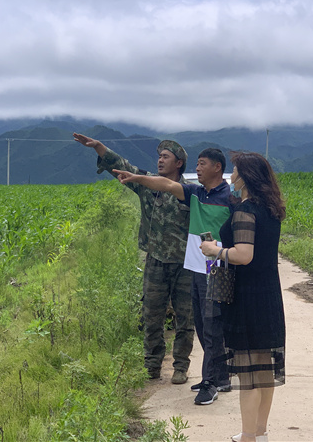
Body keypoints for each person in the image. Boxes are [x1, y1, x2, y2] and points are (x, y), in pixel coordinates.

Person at [114, 148, 232, 406]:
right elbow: (166, 184)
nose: (197, 168)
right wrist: (136, 178)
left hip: (218, 270)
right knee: (202, 324)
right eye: (197, 164)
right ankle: (220, 377)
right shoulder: (196, 193)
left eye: (202, 164)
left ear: (217, 168)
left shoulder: (230, 198)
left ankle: (211, 383)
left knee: (212, 327)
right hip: (196, 268)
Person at [73, 133, 194, 385]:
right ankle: (151, 365)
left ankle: (181, 366)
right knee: (151, 314)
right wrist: (100, 148)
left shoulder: (190, 191)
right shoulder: (146, 184)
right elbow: (123, 167)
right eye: (159, 156)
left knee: (186, 317)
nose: (160, 160)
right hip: (155, 261)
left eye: (166, 157)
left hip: (185, 264)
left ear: (179, 163)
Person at [200, 152, 286, 442]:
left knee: (249, 375)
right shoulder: (271, 209)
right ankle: (260, 432)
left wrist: (216, 251)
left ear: (246, 177)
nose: (231, 177)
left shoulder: (245, 210)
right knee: (264, 371)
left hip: (247, 297)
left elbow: (244, 254)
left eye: (234, 171)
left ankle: (248, 436)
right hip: (269, 295)